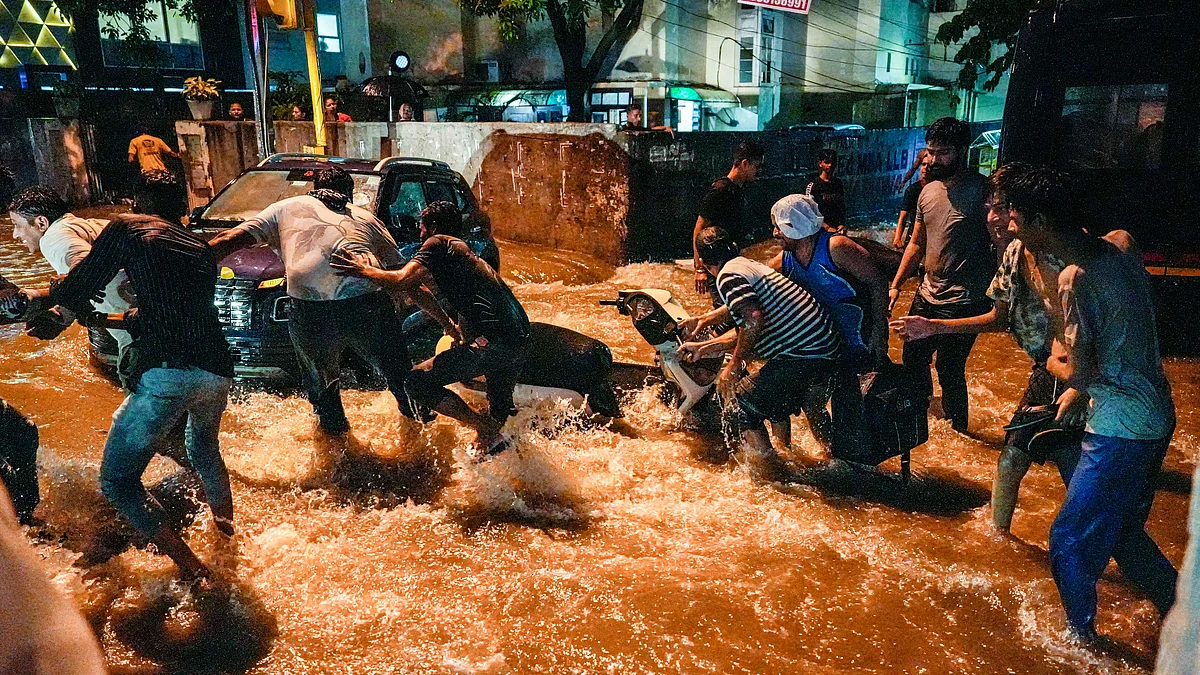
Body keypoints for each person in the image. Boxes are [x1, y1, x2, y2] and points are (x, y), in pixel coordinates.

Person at [27, 174, 235, 580]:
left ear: (137, 204)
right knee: (204, 451)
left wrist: (51, 305)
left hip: (167, 375)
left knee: (118, 482)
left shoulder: (128, 227)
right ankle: (227, 538)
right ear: (182, 208)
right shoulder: (197, 247)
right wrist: (99, 317)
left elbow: (85, 278)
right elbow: (158, 312)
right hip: (217, 373)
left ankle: (194, 570)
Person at [890, 163, 1090, 531]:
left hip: (1075, 375)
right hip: (1048, 369)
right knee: (1031, 458)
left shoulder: (1071, 257)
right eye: (990, 209)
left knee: (1042, 460)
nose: (994, 219)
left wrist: (1080, 387)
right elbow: (1000, 317)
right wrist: (932, 326)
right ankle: (1002, 540)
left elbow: (1099, 332)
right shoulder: (1014, 254)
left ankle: (1070, 541)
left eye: (1004, 209)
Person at [1031, 180, 1178, 642]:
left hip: (1121, 427)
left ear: (1040, 222)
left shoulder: (1074, 278)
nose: (1007, 224)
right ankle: (1183, 618)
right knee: (1123, 535)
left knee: (1068, 541)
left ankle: (1084, 646)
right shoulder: (1121, 247)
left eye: (1014, 215)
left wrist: (1050, 361)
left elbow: (1077, 369)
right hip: (1156, 414)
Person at [207, 165, 414, 435]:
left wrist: (182, 266)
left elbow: (228, 239)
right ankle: (419, 433)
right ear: (349, 193)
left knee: (322, 385)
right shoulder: (366, 218)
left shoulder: (284, 207)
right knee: (400, 376)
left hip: (310, 311)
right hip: (366, 304)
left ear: (314, 189)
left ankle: (336, 446)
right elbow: (402, 274)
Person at [330, 201, 530, 457]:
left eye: (422, 226)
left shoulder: (438, 244)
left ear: (433, 226)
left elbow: (401, 279)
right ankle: (514, 460)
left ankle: (485, 429)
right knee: (500, 412)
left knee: (417, 382)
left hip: (495, 344)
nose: (419, 231)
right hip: (519, 339)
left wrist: (363, 270)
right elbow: (417, 288)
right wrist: (451, 327)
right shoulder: (461, 253)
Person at [676, 226, 842, 476]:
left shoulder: (727, 277)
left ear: (704, 262)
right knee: (779, 399)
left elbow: (752, 320)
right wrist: (704, 337)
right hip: (825, 346)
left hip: (804, 353)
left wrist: (733, 365)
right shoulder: (745, 265)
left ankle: (773, 474)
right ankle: (832, 462)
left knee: (739, 405)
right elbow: (749, 323)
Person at [888, 117, 995, 433]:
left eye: (943, 152)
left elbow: (1002, 245)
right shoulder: (927, 192)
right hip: (926, 293)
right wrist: (896, 284)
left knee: (949, 368)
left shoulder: (984, 193)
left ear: (962, 150)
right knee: (912, 360)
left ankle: (960, 433)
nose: (934, 160)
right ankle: (921, 424)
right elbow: (916, 243)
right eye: (931, 152)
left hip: (965, 300)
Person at [767, 193, 889, 455]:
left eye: (779, 227)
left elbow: (878, 281)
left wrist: (880, 331)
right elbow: (757, 286)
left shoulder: (837, 247)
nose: (775, 233)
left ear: (798, 227)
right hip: (826, 345)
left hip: (861, 339)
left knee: (858, 407)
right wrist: (712, 319)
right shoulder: (785, 259)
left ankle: (863, 460)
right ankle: (832, 454)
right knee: (812, 403)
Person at [8, 186, 133, 355]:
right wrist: (62, 310)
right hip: (152, 318)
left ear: (41, 223)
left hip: (139, 337)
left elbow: (86, 267)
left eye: (17, 225)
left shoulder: (53, 238)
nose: (15, 234)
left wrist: (60, 310)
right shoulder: (92, 224)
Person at [692, 141, 765, 298]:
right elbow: (699, 229)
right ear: (745, 164)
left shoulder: (737, 189)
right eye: (757, 166)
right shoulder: (720, 190)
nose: (759, 171)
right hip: (716, 263)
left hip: (728, 259)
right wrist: (700, 268)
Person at [893, 152, 931, 249]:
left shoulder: (940, 189)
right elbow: (903, 217)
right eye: (923, 164)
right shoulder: (912, 190)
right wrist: (897, 238)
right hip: (914, 233)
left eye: (929, 165)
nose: (925, 168)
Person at [805, 148, 847, 233]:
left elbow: (841, 207)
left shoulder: (838, 183)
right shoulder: (814, 185)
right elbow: (809, 210)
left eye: (833, 162)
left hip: (836, 228)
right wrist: (826, 227)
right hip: (819, 229)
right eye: (827, 162)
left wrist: (841, 224)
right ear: (820, 164)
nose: (830, 165)